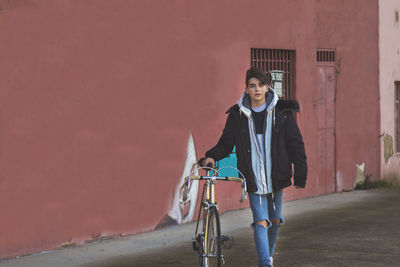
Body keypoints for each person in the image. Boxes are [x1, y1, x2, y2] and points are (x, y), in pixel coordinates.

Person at [199, 67, 307, 267]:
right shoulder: (237, 115)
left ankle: (268, 256)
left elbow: (295, 144)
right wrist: (211, 156)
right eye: (252, 85)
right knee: (260, 222)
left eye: (260, 85)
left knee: (275, 221)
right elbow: (226, 143)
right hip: (253, 177)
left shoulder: (282, 113)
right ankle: (264, 263)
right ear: (247, 89)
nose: (256, 89)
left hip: (276, 176)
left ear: (267, 87)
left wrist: (301, 174)